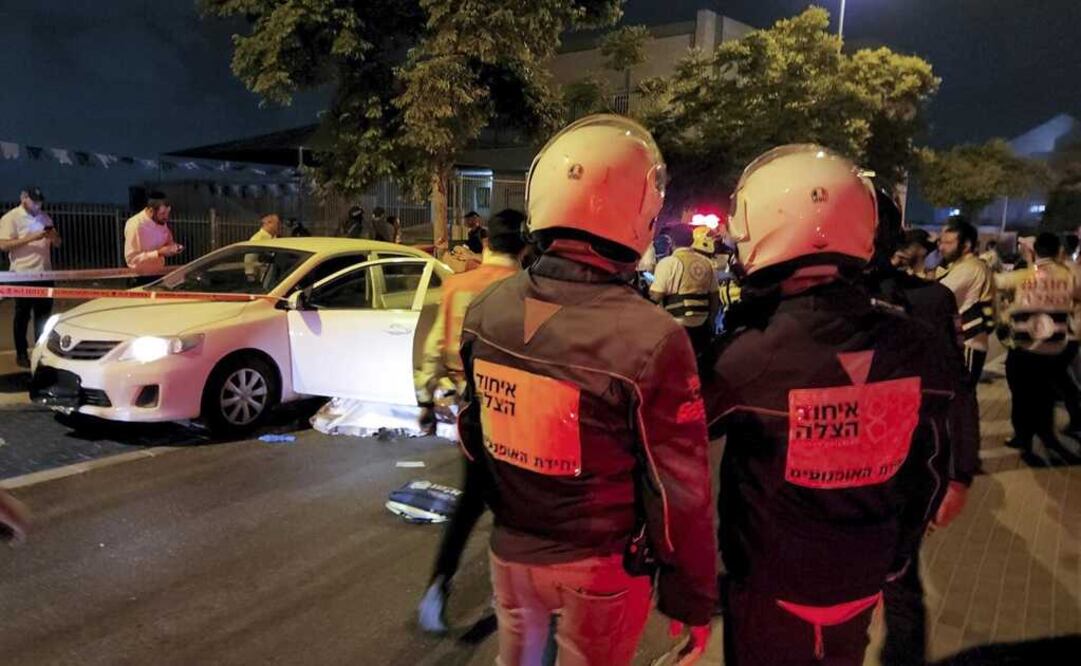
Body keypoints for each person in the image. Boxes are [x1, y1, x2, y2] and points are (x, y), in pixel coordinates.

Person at [457, 115, 716, 665]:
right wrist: (691, 598)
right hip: (600, 567)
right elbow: (678, 491)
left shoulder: (486, 308)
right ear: (641, 213)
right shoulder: (652, 337)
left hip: (511, 552)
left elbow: (474, 436)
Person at [704, 145, 953, 666]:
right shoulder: (918, 346)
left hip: (768, 582)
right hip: (865, 576)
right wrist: (894, 556)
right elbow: (930, 471)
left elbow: (679, 441)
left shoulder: (747, 357)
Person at [866, 187, 979, 666]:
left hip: (898, 474)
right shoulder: (796, 301)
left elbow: (956, 389)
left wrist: (960, 473)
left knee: (899, 587)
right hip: (874, 477)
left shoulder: (929, 301)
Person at [415, 209, 528, 634]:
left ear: (485, 242)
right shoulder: (525, 288)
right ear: (525, 248)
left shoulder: (455, 285)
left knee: (471, 501)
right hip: (514, 410)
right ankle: (511, 594)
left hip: (469, 410)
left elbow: (433, 348)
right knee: (513, 504)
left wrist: (426, 400)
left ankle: (437, 587)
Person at [995, 232, 1081, 464]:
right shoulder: (1067, 276)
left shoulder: (1023, 275)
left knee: (1021, 395)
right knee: (1045, 396)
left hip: (1024, 347)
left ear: (1035, 251)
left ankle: (1023, 438)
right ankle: (1046, 436)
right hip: (1054, 348)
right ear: (1058, 251)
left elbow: (996, 283)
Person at [0, 186, 61, 368]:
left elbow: (58, 243)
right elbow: (4, 245)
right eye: (34, 201)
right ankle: (21, 354)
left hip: (45, 273)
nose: (37, 205)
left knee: (43, 318)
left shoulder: (45, 217)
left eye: (39, 201)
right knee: (22, 315)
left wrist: (54, 236)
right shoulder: (11, 217)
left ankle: (40, 352)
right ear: (23, 198)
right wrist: (31, 238)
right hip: (22, 275)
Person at [936, 218, 995, 384]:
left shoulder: (971, 268)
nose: (941, 247)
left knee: (963, 391)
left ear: (966, 245)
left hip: (968, 341)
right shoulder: (959, 265)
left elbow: (939, 293)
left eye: (948, 243)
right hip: (963, 340)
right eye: (941, 242)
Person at [649, 225, 720, 359]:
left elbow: (655, 297)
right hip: (702, 328)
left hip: (675, 327)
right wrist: (711, 323)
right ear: (692, 240)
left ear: (671, 242)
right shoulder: (706, 263)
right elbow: (715, 297)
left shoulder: (668, 263)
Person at [124, 192, 181, 275]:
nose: (166, 217)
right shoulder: (135, 226)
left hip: (159, 274)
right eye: (163, 213)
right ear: (151, 211)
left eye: (168, 212)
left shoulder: (160, 220)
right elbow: (132, 260)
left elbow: (168, 240)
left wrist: (173, 247)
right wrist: (158, 253)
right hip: (140, 277)